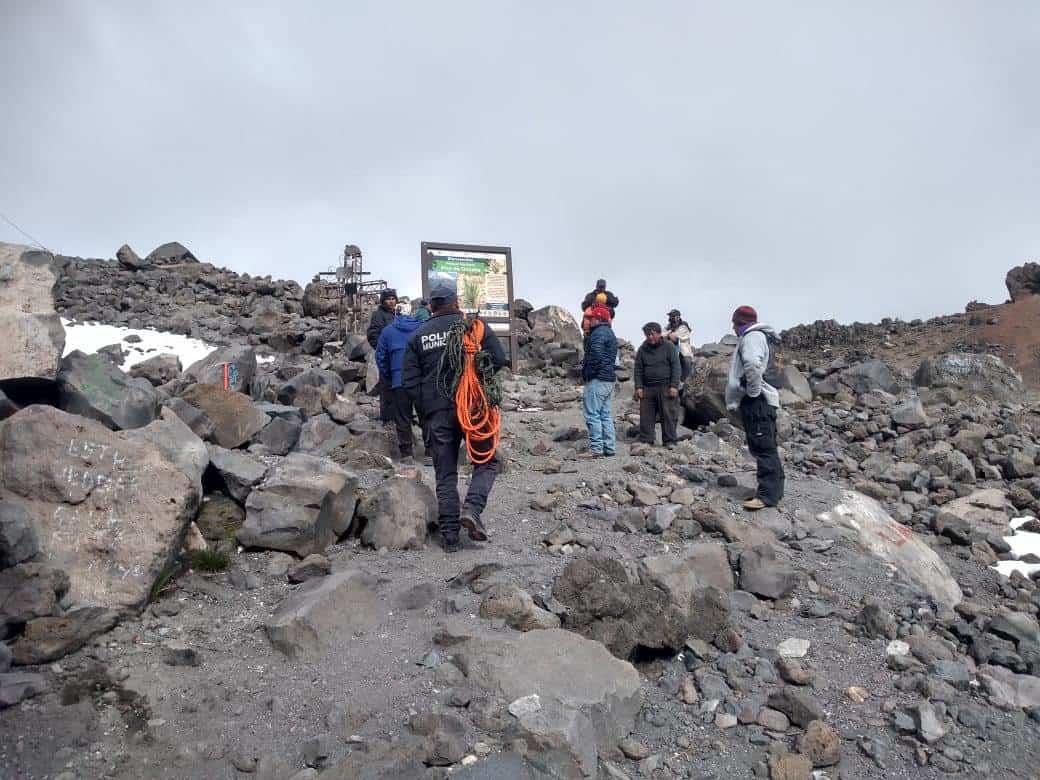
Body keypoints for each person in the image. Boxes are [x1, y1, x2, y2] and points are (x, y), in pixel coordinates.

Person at [402, 285, 507, 552]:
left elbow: (410, 382)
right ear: (456, 302)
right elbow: (498, 357)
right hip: (473, 407)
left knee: (445, 472)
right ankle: (472, 508)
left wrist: (427, 411)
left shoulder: (417, 336)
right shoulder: (474, 326)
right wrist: (479, 379)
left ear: (432, 306)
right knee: (487, 461)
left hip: (437, 413)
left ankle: (450, 536)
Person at [725, 305, 785, 511]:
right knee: (766, 445)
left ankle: (767, 496)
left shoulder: (752, 337)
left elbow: (751, 364)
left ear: (740, 322)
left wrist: (752, 392)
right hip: (763, 401)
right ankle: (774, 491)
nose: (733, 327)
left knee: (762, 447)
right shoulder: (761, 337)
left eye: (734, 323)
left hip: (757, 401)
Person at [375, 311, 423, 462]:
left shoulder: (388, 331)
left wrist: (388, 375)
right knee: (425, 416)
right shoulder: (422, 328)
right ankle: (430, 452)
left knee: (402, 417)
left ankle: (406, 454)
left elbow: (380, 356)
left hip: (398, 380)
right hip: (419, 380)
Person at [634, 322, 681, 446]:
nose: (650, 337)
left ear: (659, 334)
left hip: (666, 386)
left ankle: (670, 441)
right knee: (646, 416)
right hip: (648, 387)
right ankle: (646, 440)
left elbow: (676, 366)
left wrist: (674, 386)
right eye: (647, 335)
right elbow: (638, 368)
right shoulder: (643, 349)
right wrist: (638, 387)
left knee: (668, 414)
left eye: (652, 334)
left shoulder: (669, 347)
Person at [580, 304, 617, 458]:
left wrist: (592, 369)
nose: (589, 321)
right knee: (605, 414)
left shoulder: (597, 334)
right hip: (609, 379)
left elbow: (596, 352)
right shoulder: (610, 333)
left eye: (591, 318)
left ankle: (596, 449)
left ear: (597, 319)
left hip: (598, 378)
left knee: (592, 414)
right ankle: (609, 447)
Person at [367, 288, 398, 423]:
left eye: (393, 299)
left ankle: (396, 415)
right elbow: (373, 335)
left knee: (396, 385)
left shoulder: (396, 314)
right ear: (383, 301)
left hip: (396, 356)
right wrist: (382, 351)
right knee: (386, 386)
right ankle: (386, 417)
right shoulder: (378, 315)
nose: (391, 301)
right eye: (388, 299)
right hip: (386, 356)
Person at [665, 309, 694, 381]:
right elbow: (662, 335)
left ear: (677, 317)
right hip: (672, 351)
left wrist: (669, 334)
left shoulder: (684, 325)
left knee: (687, 361)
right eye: (670, 316)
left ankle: (686, 381)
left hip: (683, 352)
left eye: (672, 316)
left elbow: (675, 336)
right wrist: (669, 334)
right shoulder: (668, 326)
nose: (670, 318)